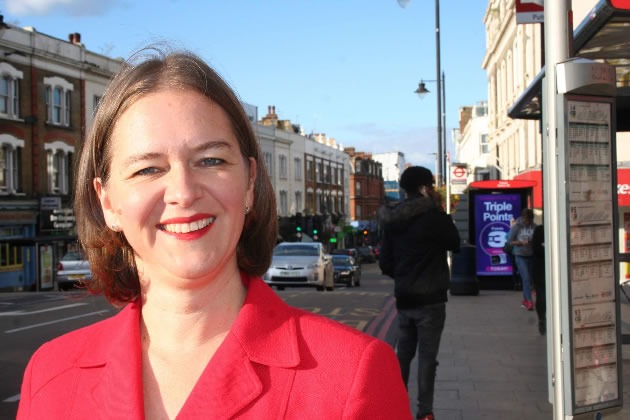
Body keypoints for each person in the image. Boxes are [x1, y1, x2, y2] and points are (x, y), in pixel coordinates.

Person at [17, 49, 412, 420]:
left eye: (211, 160)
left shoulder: (353, 374)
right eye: (148, 169)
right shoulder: (49, 375)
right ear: (108, 203)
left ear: (249, 181)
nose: (184, 192)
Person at [378, 166, 461, 420]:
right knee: (427, 358)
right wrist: (439, 209)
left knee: (403, 354)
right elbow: (455, 243)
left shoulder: (392, 221)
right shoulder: (434, 217)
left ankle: (396, 408)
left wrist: (403, 276)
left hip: (405, 297)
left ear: (404, 189)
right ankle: (425, 412)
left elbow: (385, 263)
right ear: (426, 187)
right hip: (432, 299)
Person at [507, 208, 537, 311]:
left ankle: (525, 299)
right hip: (520, 255)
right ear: (523, 218)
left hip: (531, 254)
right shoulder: (517, 227)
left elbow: (537, 239)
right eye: (526, 220)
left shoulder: (534, 227)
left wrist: (533, 242)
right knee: (526, 278)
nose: (528, 222)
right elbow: (510, 241)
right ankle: (529, 301)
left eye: (529, 220)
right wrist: (520, 243)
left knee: (529, 279)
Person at [532, 224, 546, 335]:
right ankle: (542, 319)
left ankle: (542, 319)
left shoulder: (538, 229)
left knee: (541, 294)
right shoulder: (540, 230)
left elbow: (536, 248)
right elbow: (536, 248)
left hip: (539, 267)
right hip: (540, 268)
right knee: (542, 295)